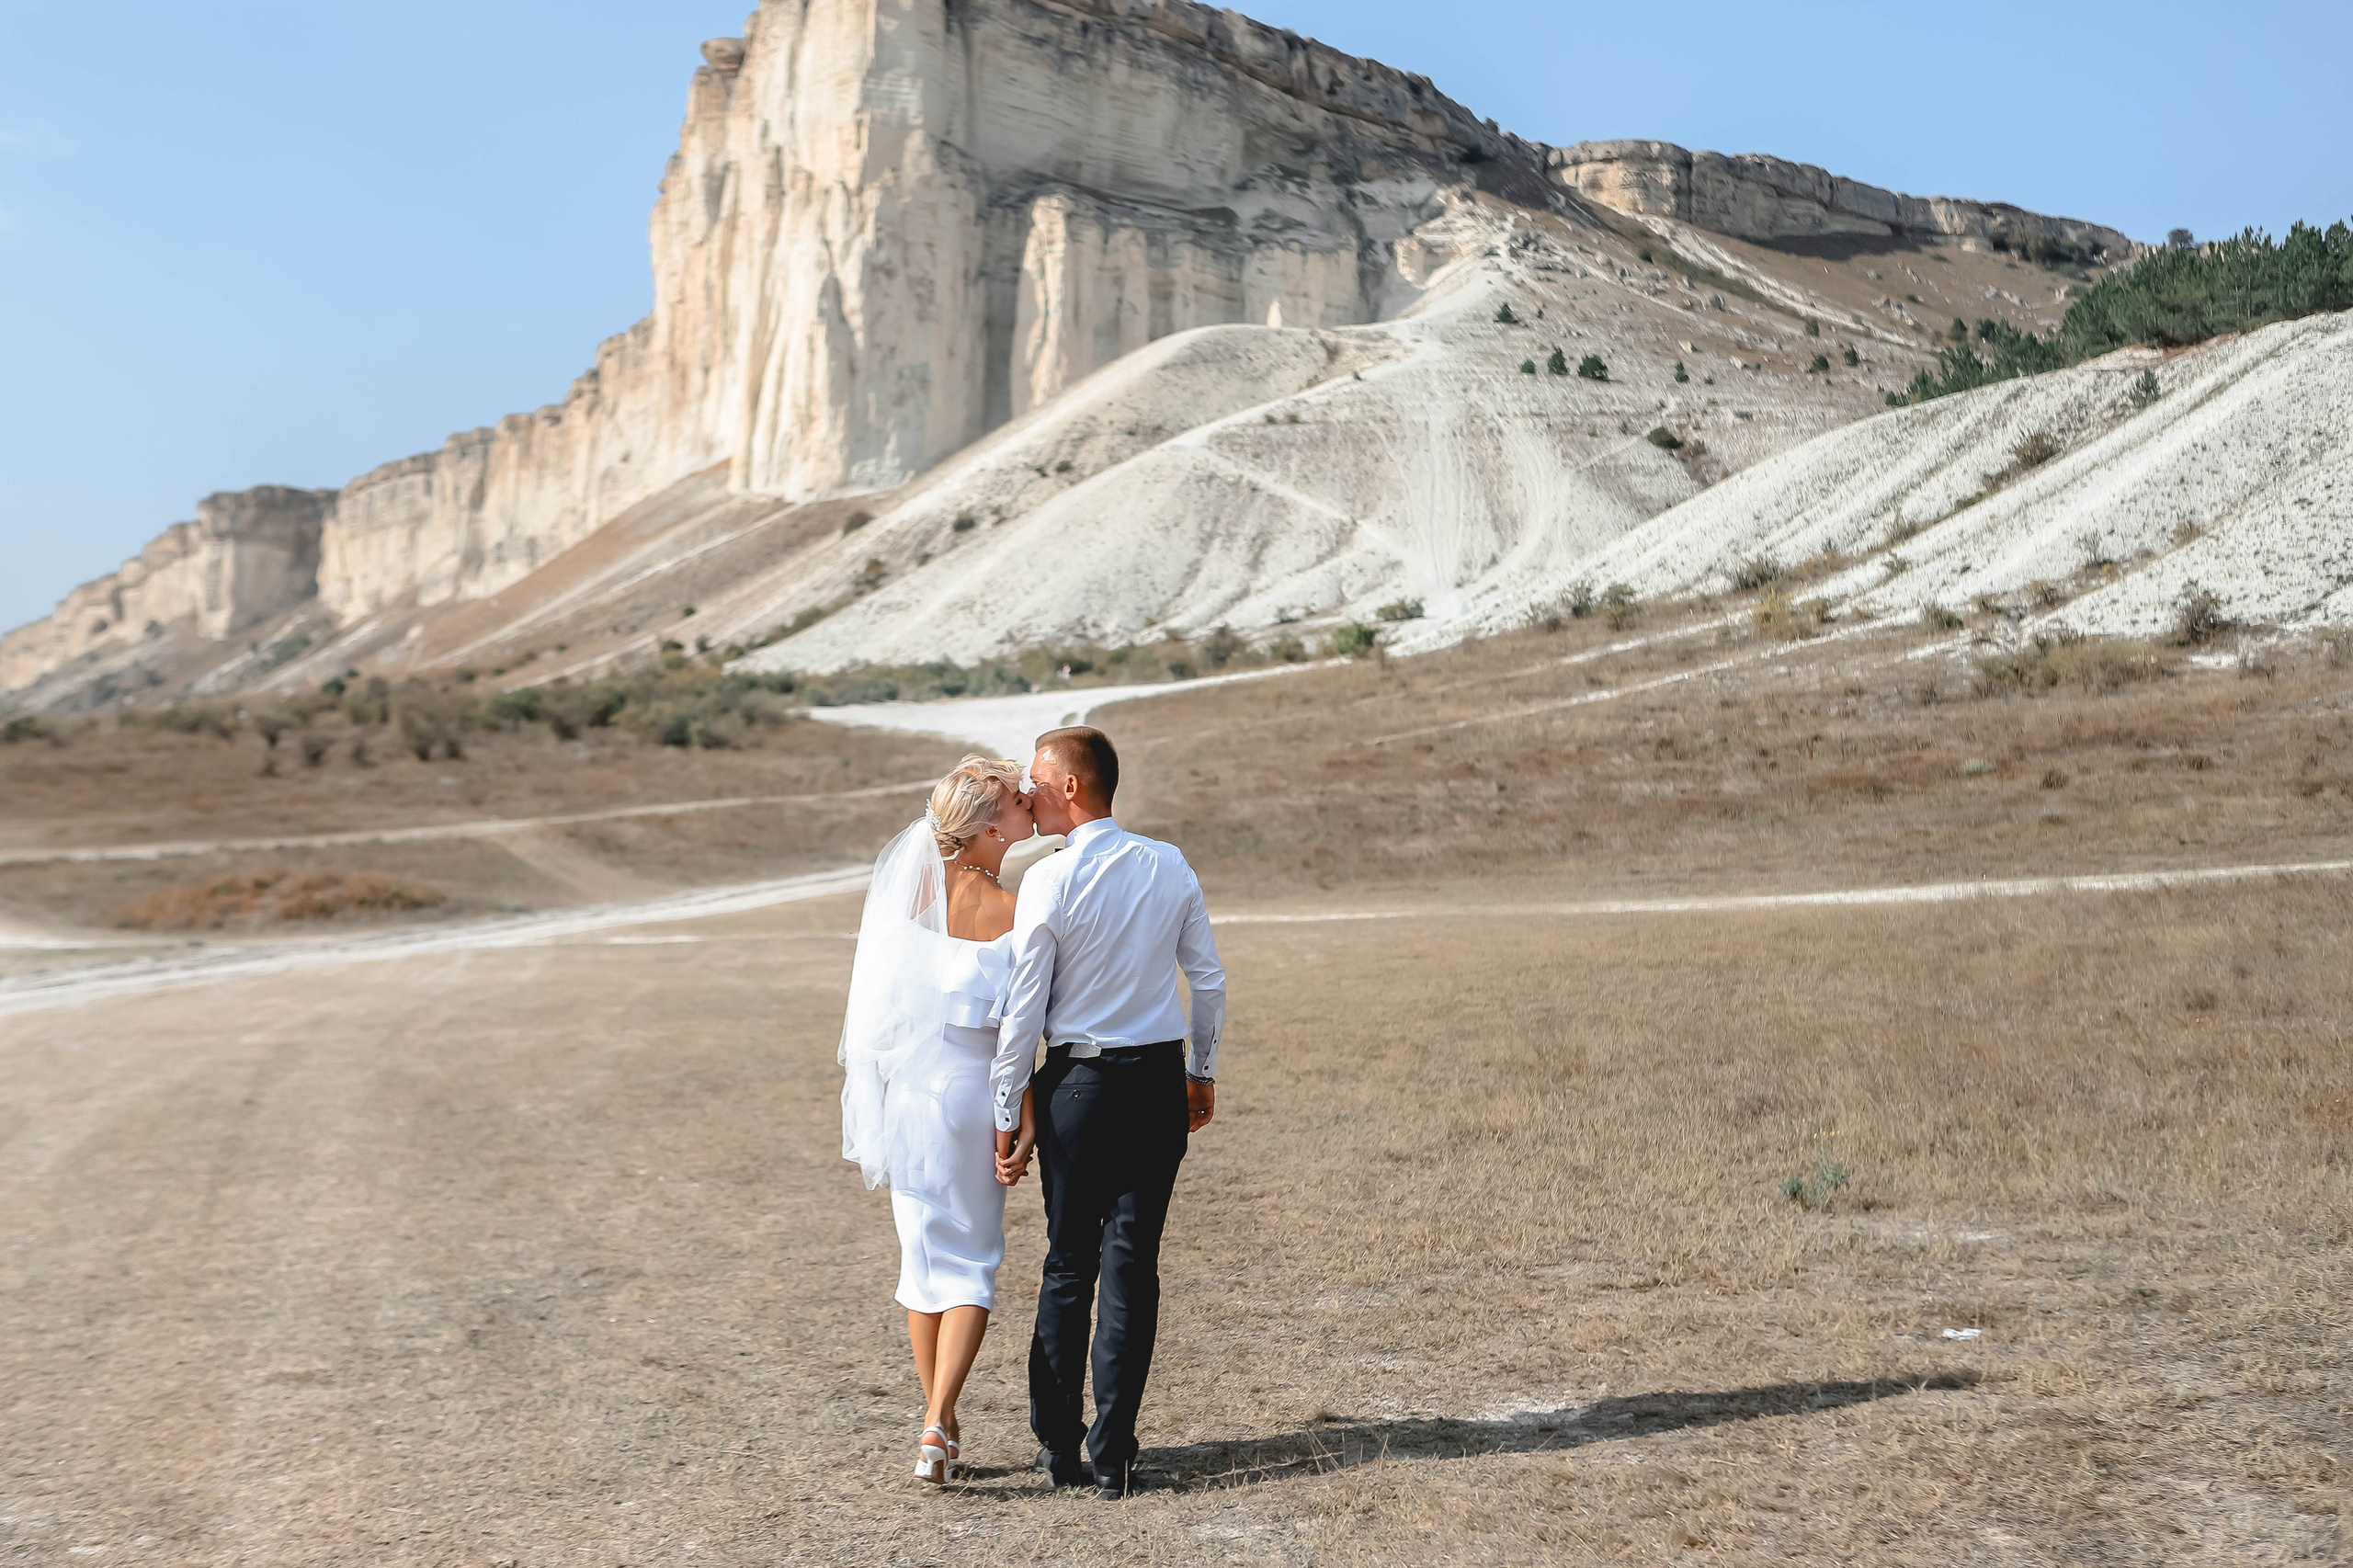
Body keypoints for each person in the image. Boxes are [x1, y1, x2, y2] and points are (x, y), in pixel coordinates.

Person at [992, 726, 1226, 1500]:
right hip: (1157, 1084)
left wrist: (1006, 1107)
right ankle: (1113, 1454)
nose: (1026, 794)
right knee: (1133, 1266)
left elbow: (1025, 1007)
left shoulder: (1048, 881)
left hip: (1079, 1089)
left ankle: (1058, 1447)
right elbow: (1209, 984)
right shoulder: (1169, 863)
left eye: (1035, 781)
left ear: (1070, 787)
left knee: (1068, 1263)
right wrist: (1201, 1072)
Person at [838, 756, 1041, 1485]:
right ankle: (937, 1417)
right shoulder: (1014, 910)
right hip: (971, 1089)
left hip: (908, 1092)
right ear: (991, 827)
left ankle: (939, 1422)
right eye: (1019, 802)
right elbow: (1023, 1025)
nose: (1030, 807)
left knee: (921, 1260)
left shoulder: (907, 900)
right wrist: (1019, 1105)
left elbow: (881, 1008)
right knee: (972, 1261)